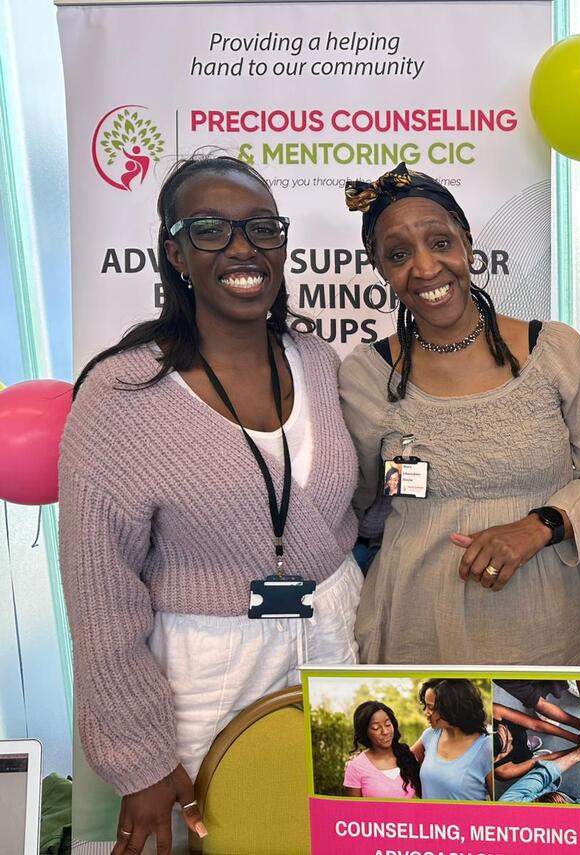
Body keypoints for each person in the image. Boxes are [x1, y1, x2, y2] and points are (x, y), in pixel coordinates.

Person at [58, 154, 361, 853]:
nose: (242, 247)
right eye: (210, 230)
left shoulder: (319, 362)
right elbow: (101, 599)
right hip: (205, 674)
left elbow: (358, 504)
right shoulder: (121, 394)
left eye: (261, 228)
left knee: (336, 833)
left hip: (337, 643)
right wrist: (138, 757)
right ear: (174, 252)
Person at [339, 163, 580, 666]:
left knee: (542, 744)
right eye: (398, 255)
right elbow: (353, 500)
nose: (424, 268)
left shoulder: (554, 350)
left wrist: (539, 525)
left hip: (543, 623)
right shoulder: (367, 375)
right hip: (414, 628)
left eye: (439, 242)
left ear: (466, 243)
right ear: (380, 269)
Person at [411, 679, 493, 801]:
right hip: (428, 819)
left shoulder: (487, 747)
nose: (426, 713)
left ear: (452, 708)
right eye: (425, 706)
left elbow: (500, 808)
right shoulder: (430, 735)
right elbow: (401, 765)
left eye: (431, 707)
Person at [498, 738, 580, 805]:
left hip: (531, 801)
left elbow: (542, 775)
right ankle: (547, 786)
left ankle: (546, 786)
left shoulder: (507, 805)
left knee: (542, 775)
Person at [344, 701, 420, 798]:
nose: (385, 731)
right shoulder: (355, 767)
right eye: (376, 728)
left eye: (388, 724)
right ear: (364, 732)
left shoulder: (406, 756)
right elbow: (352, 810)